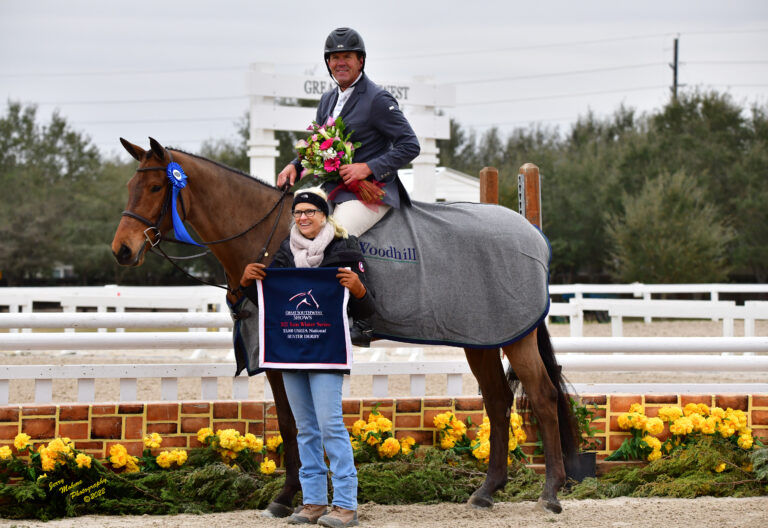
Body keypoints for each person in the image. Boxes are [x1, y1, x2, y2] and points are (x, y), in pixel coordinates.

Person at [240, 188, 373, 528]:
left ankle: (345, 504)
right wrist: (246, 284)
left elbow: (367, 308)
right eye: (297, 213)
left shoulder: (345, 248)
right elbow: (266, 302)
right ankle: (314, 501)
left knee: (330, 426)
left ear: (323, 215)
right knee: (306, 429)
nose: (302, 218)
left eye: (309, 212)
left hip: (327, 352)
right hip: (291, 352)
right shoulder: (284, 252)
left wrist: (358, 288)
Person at [277, 27, 420, 238]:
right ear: (328, 63)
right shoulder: (327, 100)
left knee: (332, 235)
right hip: (335, 189)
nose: (340, 62)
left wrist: (367, 167)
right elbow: (319, 145)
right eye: (335, 57)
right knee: (298, 229)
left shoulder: (377, 99)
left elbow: (410, 145)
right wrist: (295, 166)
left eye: (347, 56)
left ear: (360, 60)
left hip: (371, 193)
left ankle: (354, 273)